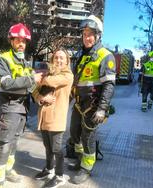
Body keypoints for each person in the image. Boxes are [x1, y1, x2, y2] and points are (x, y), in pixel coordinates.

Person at [0, 23, 43, 188]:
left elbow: (31, 86)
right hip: (10, 106)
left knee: (14, 142)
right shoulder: (4, 59)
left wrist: (39, 96)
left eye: (24, 41)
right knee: (5, 144)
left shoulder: (26, 62)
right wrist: (32, 79)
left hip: (23, 108)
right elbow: (5, 84)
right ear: (11, 41)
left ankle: (8, 170)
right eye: (18, 40)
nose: (21, 44)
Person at [68, 15, 116, 184]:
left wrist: (102, 109)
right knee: (74, 133)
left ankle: (86, 167)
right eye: (84, 34)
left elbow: (109, 85)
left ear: (97, 36)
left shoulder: (105, 56)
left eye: (90, 34)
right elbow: (77, 80)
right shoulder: (82, 54)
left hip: (93, 106)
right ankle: (80, 159)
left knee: (88, 137)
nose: (86, 37)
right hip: (79, 103)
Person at [32, 47, 73, 188]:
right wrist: (42, 98)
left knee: (56, 149)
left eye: (62, 57)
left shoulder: (68, 75)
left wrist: (40, 78)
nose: (59, 60)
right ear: (52, 60)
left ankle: (60, 176)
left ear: (67, 60)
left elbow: (50, 81)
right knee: (47, 147)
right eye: (56, 57)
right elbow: (34, 91)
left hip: (57, 118)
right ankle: (49, 169)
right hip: (43, 117)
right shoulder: (48, 74)